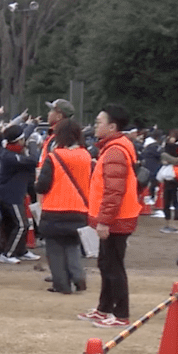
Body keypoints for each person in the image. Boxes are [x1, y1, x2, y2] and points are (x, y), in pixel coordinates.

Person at [77, 105, 139, 328]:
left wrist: (104, 220)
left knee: (113, 266)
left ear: (112, 126)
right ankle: (104, 309)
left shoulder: (114, 151)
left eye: (98, 122)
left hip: (116, 220)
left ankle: (121, 314)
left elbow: (114, 191)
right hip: (117, 218)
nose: (95, 125)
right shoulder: (114, 148)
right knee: (106, 263)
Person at [34, 117, 91, 295]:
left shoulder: (55, 156)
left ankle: (62, 285)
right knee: (72, 245)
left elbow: (42, 185)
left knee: (55, 248)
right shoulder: (86, 156)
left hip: (54, 209)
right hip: (80, 209)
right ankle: (78, 275)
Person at [0, 124, 39, 263]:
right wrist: (32, 144)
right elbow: (33, 160)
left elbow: (21, 134)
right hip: (10, 195)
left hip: (16, 194)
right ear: (18, 141)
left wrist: (33, 124)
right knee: (21, 225)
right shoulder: (9, 155)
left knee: (17, 225)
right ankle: (7, 254)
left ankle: (21, 250)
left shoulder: (12, 149)